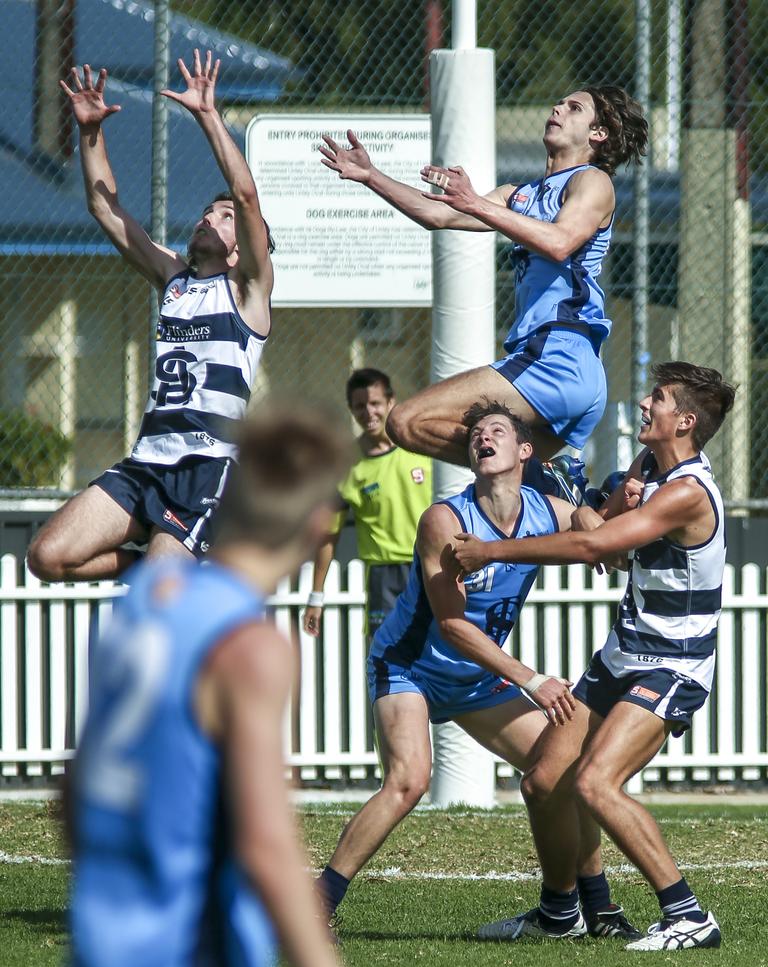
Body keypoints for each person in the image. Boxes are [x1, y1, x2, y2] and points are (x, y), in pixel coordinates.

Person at [67, 404, 368, 967]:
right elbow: (267, 848)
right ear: (318, 524)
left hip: (101, 957)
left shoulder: (147, 596)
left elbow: (74, 790)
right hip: (187, 962)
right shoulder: (251, 647)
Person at [316, 400, 639, 942]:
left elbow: (596, 534)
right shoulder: (445, 519)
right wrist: (533, 680)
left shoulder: (547, 510)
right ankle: (317, 901)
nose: (483, 439)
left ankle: (588, 910)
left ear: (524, 451)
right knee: (410, 780)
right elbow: (452, 626)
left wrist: (603, 506)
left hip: (476, 677)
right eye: (475, 436)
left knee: (560, 768)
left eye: (497, 431)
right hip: (412, 667)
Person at [453, 362, 736, 950]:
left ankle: (687, 916)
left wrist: (490, 550)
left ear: (683, 421)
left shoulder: (687, 490)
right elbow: (605, 534)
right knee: (545, 781)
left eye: (656, 398)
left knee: (596, 783)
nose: (643, 403)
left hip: (672, 663)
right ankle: (561, 914)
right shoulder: (647, 470)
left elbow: (594, 544)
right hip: (621, 655)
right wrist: (610, 502)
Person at [28, 49, 274, 582]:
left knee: (160, 612)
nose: (211, 217)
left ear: (243, 249)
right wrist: (91, 132)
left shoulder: (248, 293)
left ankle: (177, 575)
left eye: (224, 217)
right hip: (147, 461)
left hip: (205, 468)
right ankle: (168, 571)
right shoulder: (175, 279)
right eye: (208, 212)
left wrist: (208, 115)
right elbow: (105, 211)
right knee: (47, 557)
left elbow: (248, 195)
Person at [319, 87, 647, 468]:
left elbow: (560, 243)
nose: (558, 107)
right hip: (553, 363)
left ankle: (530, 475)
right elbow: (437, 215)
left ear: (598, 134)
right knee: (517, 481)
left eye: (574, 108)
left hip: (559, 356)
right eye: (559, 102)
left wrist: (474, 201)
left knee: (406, 421)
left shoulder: (591, 181)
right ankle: (549, 486)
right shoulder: (519, 195)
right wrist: (371, 176)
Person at [302, 368, 432, 641]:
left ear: (390, 402)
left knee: (439, 650)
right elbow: (328, 534)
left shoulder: (423, 448)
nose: (368, 412)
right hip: (383, 576)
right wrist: (316, 596)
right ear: (351, 410)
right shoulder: (345, 465)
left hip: (430, 565)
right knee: (386, 655)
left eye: (374, 403)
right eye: (359, 406)